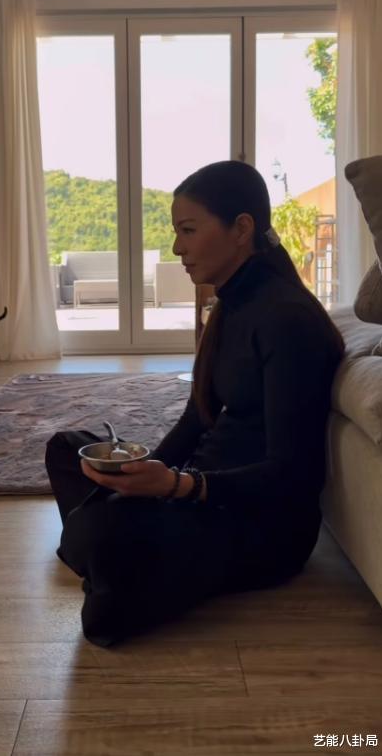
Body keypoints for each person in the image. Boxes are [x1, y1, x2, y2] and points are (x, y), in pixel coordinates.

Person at [45, 160, 344, 647]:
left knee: (102, 593)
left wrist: (179, 486)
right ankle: (106, 545)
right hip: (199, 491)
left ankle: (102, 546)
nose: (177, 248)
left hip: (260, 525)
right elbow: (196, 419)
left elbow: (293, 474)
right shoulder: (232, 304)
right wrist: (142, 476)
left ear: (241, 229)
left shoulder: (288, 321)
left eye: (188, 230)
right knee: (66, 449)